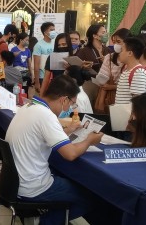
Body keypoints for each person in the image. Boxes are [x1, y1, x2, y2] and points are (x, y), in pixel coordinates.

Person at [6, 75, 103, 224]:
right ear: (64, 99)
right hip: (33, 187)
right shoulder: (46, 115)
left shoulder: (28, 107)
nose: (69, 108)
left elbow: (40, 137)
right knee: (90, 197)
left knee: (66, 184)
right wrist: (89, 140)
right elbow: (70, 154)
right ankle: (47, 221)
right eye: (71, 104)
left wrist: (68, 131)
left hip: (13, 184)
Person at [76, 24, 112, 106]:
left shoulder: (108, 50)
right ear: (95, 36)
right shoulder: (84, 51)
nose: (106, 34)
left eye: (106, 32)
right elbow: (76, 68)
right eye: (103, 32)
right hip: (90, 85)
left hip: (106, 86)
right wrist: (83, 67)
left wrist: (105, 62)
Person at [115, 37, 146, 104]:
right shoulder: (126, 71)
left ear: (130, 53)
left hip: (129, 114)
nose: (119, 53)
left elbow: (138, 102)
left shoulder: (138, 72)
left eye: (122, 50)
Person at [33, 22, 56, 93]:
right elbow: (36, 66)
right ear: (45, 32)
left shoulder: (54, 44)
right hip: (42, 77)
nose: (53, 32)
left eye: (54, 30)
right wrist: (37, 83)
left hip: (53, 77)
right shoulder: (38, 45)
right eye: (51, 30)